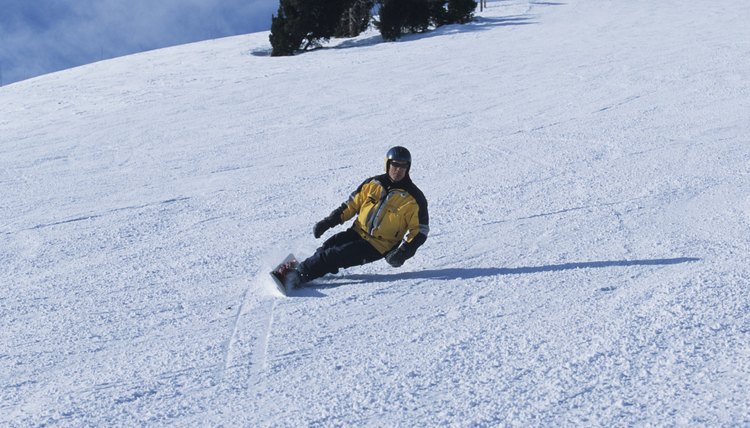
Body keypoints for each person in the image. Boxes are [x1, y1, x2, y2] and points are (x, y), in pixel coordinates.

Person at [284, 146, 430, 289]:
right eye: (395, 165)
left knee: (333, 255)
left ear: (408, 168)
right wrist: (328, 222)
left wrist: (404, 252)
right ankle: (306, 269)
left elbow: (420, 231)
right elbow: (351, 205)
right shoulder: (373, 184)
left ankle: (296, 277)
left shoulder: (414, 198)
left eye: (403, 166)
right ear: (387, 164)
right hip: (357, 232)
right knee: (327, 247)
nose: (398, 170)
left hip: (378, 245)